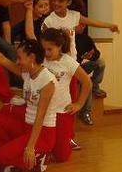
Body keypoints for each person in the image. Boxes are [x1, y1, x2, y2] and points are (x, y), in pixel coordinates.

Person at [0, 31, 56, 172]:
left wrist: (30, 147)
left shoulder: (48, 81)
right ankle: (16, 159)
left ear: (32, 57)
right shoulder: (27, 73)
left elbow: (40, 116)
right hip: (27, 127)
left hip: (43, 134)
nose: (17, 62)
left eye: (20, 58)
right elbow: (1, 59)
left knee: (1, 156)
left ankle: (39, 157)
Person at [36, 24, 91, 163]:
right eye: (44, 49)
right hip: (43, 111)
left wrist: (79, 104)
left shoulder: (68, 62)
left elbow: (87, 82)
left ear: (59, 46)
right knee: (44, 145)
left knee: (62, 156)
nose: (46, 53)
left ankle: (63, 143)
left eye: (50, 49)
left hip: (61, 111)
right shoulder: (40, 59)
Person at [74, 27, 107, 126]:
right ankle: (86, 112)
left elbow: (96, 54)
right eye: (80, 24)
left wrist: (91, 55)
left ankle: (95, 85)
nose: (82, 26)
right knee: (86, 80)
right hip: (71, 69)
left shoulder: (86, 38)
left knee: (100, 62)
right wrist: (81, 56)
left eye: (84, 24)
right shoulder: (68, 38)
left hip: (79, 67)